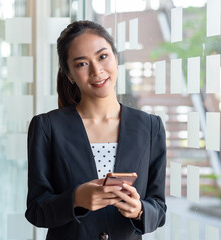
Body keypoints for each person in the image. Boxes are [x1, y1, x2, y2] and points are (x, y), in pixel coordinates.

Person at [25, 20, 167, 239]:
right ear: (70, 74)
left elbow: (158, 208)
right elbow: (36, 210)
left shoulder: (150, 126)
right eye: (82, 64)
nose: (97, 70)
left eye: (103, 57)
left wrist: (139, 211)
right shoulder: (47, 127)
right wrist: (75, 199)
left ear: (116, 58)